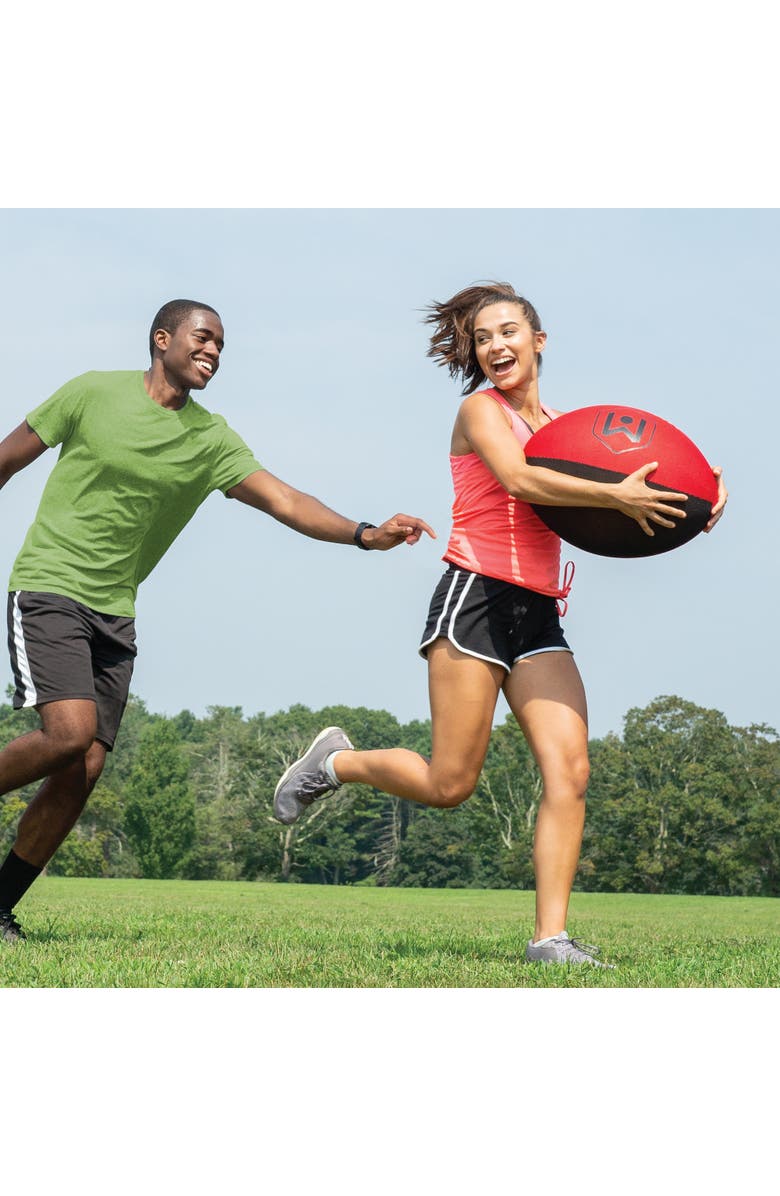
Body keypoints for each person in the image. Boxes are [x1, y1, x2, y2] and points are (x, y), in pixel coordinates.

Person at [273, 281, 728, 968]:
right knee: (449, 786)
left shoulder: (568, 429)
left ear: (538, 340)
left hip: (539, 611)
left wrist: (694, 502)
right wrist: (618, 492)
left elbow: (623, 493)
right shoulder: (478, 412)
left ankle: (550, 940)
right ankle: (334, 763)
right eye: (484, 338)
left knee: (570, 769)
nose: (496, 346)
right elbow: (520, 481)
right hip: (476, 598)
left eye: (509, 332)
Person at [0, 299, 434, 943]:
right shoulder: (91, 394)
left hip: (116, 613)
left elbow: (285, 499)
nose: (214, 353)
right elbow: (6, 458)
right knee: (68, 733)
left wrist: (365, 534)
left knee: (83, 768)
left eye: (222, 346)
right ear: (161, 339)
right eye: (203, 339)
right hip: (50, 587)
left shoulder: (211, 438)